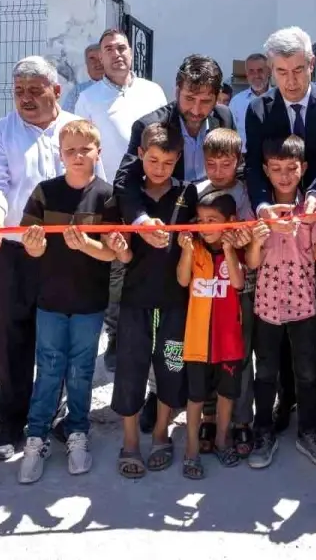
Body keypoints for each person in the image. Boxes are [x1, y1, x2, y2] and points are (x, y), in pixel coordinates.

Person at [0, 56, 99, 462]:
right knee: (12, 339)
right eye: (19, 91)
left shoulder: (76, 130)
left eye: (35, 90)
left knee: (59, 342)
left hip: (67, 256)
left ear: (56, 92)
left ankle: (55, 417)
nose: (26, 98)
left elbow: (97, 184)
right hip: (13, 253)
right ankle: (11, 425)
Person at [110, 54, 232, 380]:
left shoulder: (224, 118)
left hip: (207, 234)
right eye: (189, 98)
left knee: (199, 316)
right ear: (176, 90)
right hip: (161, 235)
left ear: (217, 97)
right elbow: (125, 181)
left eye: (205, 101)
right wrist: (141, 222)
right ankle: (153, 389)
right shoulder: (150, 124)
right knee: (159, 321)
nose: (196, 109)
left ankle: (193, 390)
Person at [17, 119, 125, 484]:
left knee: (80, 371)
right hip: (49, 301)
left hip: (89, 304)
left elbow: (113, 252)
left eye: (85, 149)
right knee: (48, 368)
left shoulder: (109, 196)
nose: (78, 156)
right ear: (60, 155)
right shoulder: (45, 192)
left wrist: (88, 245)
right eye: (70, 151)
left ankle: (78, 432)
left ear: (98, 152)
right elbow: (29, 242)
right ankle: (36, 435)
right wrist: (34, 246)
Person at [111, 122, 195, 480]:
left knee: (171, 368)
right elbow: (122, 252)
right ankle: (129, 441)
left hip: (177, 299)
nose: (160, 168)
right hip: (135, 299)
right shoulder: (129, 196)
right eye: (154, 160)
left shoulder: (189, 193)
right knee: (130, 367)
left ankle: (161, 433)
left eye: (168, 162)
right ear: (141, 155)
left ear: (178, 160)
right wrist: (121, 246)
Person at [246, 135, 316, 469]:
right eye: (276, 169)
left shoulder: (311, 211)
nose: (284, 175)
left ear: (304, 169)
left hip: (305, 308)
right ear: (266, 171)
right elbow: (252, 263)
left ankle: (308, 431)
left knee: (308, 373)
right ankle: (263, 430)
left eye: (291, 168)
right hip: (266, 308)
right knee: (266, 372)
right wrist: (256, 239)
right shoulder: (259, 211)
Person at [177, 191, 247, 479]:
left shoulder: (237, 248)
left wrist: (230, 251)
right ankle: (192, 448)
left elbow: (239, 283)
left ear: (230, 222)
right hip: (196, 341)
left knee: (226, 393)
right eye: (201, 220)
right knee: (195, 397)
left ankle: (221, 438)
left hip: (228, 339)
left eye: (212, 220)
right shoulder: (195, 248)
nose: (205, 226)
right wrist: (185, 250)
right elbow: (182, 279)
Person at [195, 129, 257, 458]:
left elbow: (248, 234)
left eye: (226, 164)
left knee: (240, 356)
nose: (219, 171)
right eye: (212, 164)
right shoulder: (195, 190)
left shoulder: (245, 193)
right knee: (208, 354)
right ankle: (209, 415)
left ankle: (242, 420)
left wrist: (242, 238)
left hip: (241, 287)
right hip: (204, 290)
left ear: (238, 161)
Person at [245, 27, 316, 214]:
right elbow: (254, 165)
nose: (291, 81)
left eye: (298, 70)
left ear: (311, 64)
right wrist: (263, 206)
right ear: (271, 69)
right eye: (282, 72)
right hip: (277, 210)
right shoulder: (258, 110)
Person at [75, 28, 168, 182]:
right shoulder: (87, 99)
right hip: (110, 190)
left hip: (152, 187)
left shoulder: (154, 91)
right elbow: (81, 146)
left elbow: (167, 138)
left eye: (121, 48)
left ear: (130, 53)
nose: (116, 54)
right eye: (109, 49)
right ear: (101, 58)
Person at [229, 53, 270, 144]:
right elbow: (230, 134)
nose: (256, 75)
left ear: (268, 71)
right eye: (251, 71)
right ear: (247, 74)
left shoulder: (280, 98)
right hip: (244, 156)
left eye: (260, 70)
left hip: (274, 156)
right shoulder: (236, 102)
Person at [60, 43, 103, 113]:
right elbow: (66, 118)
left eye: (101, 58)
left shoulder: (118, 87)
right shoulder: (78, 91)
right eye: (92, 58)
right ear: (87, 65)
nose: (97, 63)